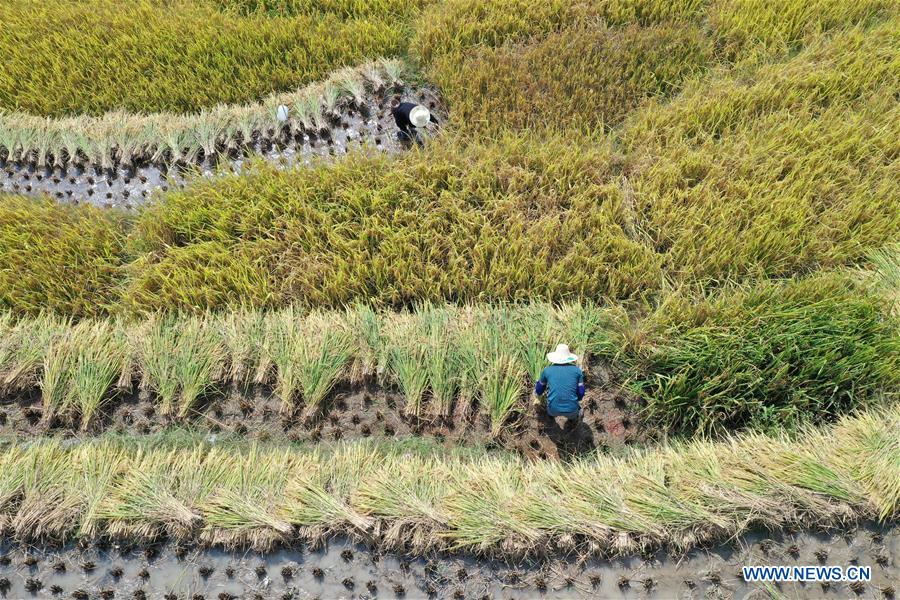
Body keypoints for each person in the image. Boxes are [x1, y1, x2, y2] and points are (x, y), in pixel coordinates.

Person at [534, 344, 585, 428]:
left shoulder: (547, 371)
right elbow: (581, 392)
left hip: (553, 409)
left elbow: (539, 390)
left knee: (551, 410)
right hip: (571, 410)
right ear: (569, 358)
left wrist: (537, 391)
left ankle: (550, 418)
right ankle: (572, 420)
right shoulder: (577, 371)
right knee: (577, 411)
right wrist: (576, 399)